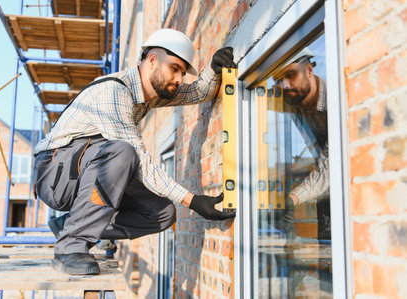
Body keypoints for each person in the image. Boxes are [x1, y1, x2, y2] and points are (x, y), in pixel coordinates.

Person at [32, 28, 237, 275]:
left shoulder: (149, 95)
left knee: (161, 213)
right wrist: (192, 200)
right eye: (175, 68)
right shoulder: (114, 92)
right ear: (152, 60)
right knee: (124, 153)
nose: (179, 78)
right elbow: (140, 161)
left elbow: (197, 92)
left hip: (88, 167)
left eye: (183, 72)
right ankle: (69, 248)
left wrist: (215, 70)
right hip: (55, 173)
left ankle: (69, 225)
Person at [273, 48, 330, 239]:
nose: (285, 85)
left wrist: (291, 200)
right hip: (324, 206)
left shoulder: (337, 101)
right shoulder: (292, 100)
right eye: (279, 80)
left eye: (290, 75)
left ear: (309, 70)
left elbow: (330, 168)